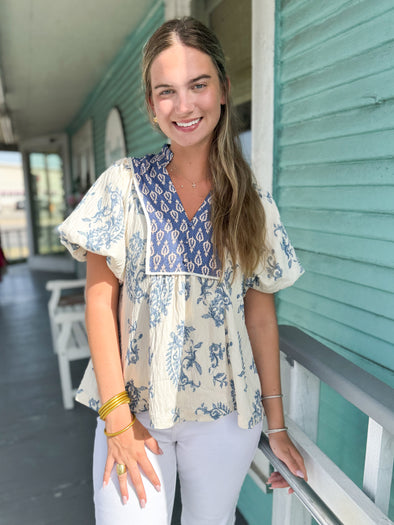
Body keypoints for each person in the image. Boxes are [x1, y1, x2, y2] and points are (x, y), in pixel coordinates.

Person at [59, 16, 307, 525]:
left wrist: (276, 427)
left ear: (223, 90)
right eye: (166, 91)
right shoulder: (121, 186)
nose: (185, 105)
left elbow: (260, 316)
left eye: (199, 85)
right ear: (151, 106)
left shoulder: (252, 201)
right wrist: (117, 418)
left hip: (225, 419)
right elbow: (99, 303)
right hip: (135, 410)